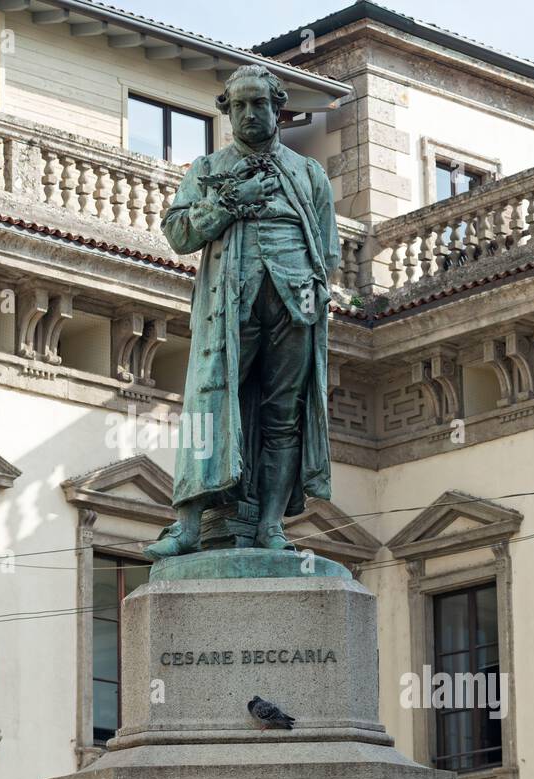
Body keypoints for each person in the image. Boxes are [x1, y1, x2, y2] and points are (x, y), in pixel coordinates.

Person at [144, 64, 339, 559]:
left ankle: (272, 526)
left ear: (278, 109)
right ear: (228, 111)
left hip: (296, 305)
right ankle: (187, 524)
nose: (250, 114)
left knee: (283, 417)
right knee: (208, 405)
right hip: (229, 304)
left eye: (260, 104)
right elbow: (180, 234)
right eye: (240, 106)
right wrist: (231, 201)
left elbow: (328, 250)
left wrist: (314, 298)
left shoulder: (309, 173)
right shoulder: (207, 171)